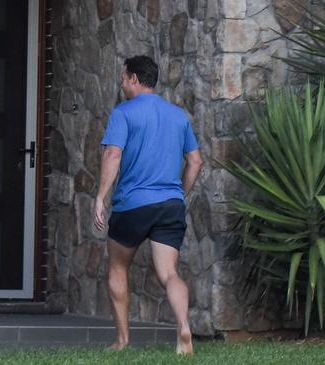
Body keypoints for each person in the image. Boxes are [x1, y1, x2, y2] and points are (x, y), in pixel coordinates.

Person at [93, 55, 203, 355]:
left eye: (123, 77)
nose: (121, 82)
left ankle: (122, 341)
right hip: (170, 204)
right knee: (170, 273)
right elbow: (195, 161)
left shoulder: (123, 113)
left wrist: (100, 197)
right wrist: (180, 192)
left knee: (117, 265)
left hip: (133, 205)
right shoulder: (178, 116)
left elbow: (112, 155)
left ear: (134, 80)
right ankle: (183, 326)